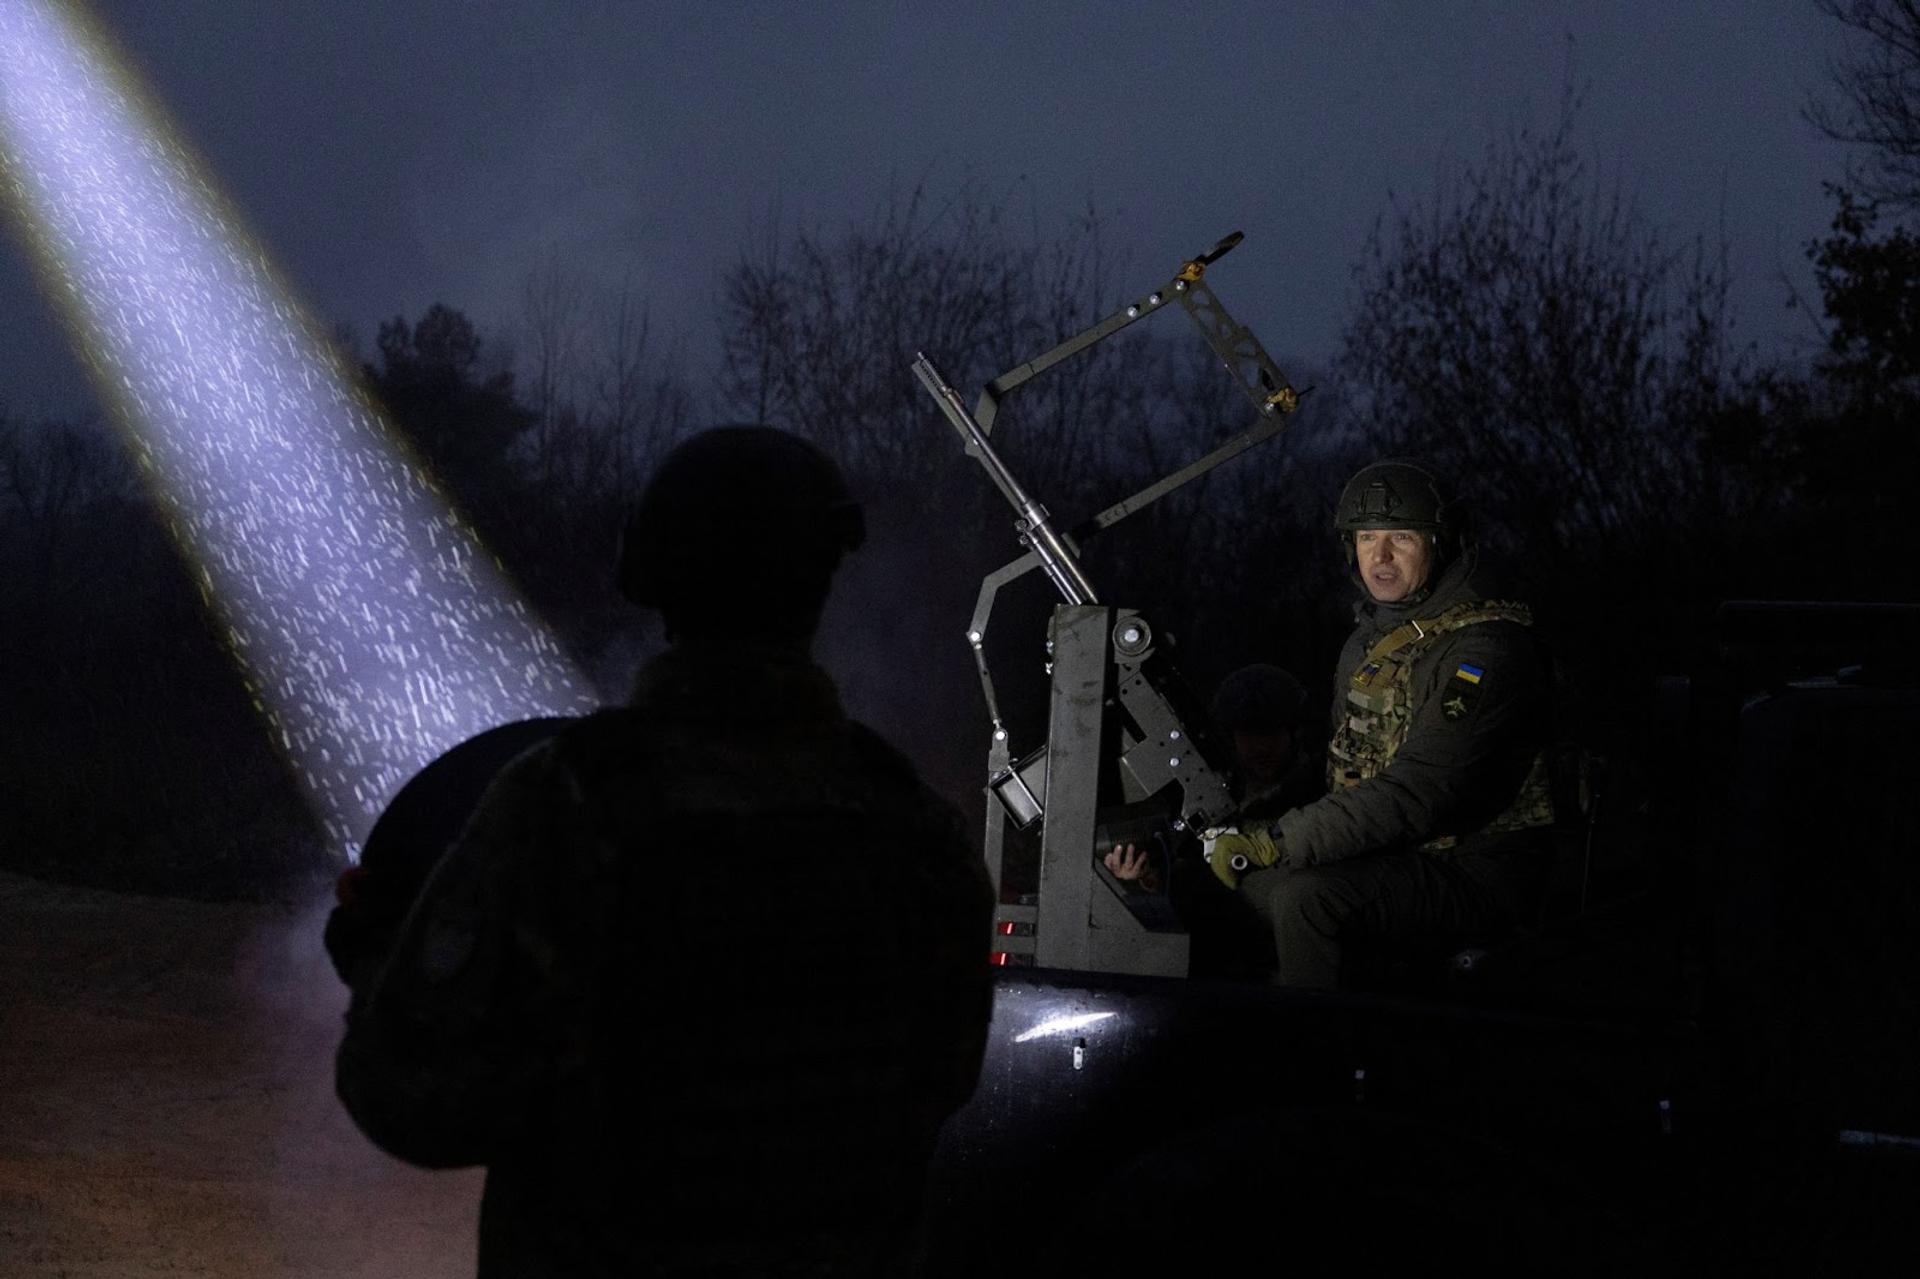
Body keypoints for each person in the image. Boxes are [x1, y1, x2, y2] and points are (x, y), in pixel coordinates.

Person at [334, 426, 995, 1276]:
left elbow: (414, 1101)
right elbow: (942, 1085)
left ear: (649, 571)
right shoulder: (915, 829)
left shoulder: (569, 801)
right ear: (823, 575)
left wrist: (374, 957)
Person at [1203, 459, 1554, 990]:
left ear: (1439, 544)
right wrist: (1245, 822)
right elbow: (1345, 766)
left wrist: (1278, 841)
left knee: (1308, 900)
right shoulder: (1372, 644)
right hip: (1399, 854)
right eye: (1367, 538)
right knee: (1246, 886)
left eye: (1402, 537)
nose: (1380, 556)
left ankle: (1327, 1057)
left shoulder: (1484, 650)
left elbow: (1422, 789)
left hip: (1477, 866)